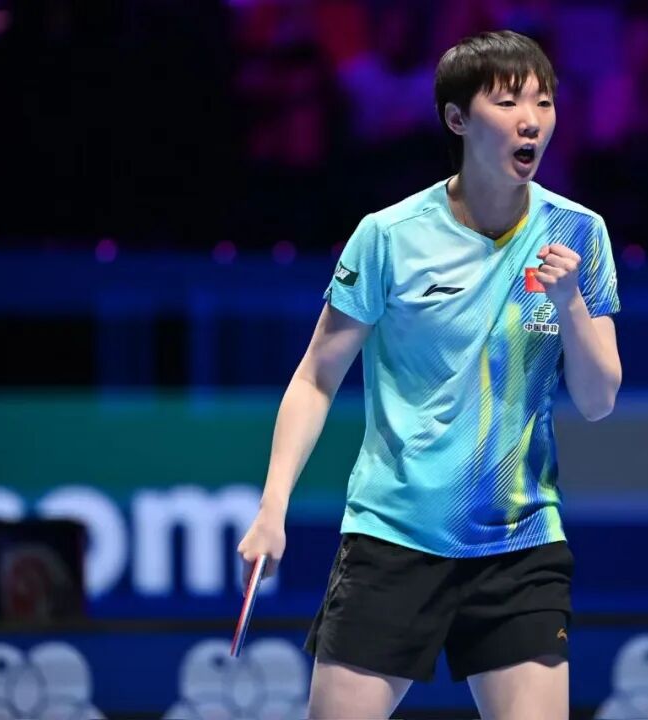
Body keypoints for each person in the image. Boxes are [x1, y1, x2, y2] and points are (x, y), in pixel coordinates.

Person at [237, 30, 622, 720]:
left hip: (520, 543)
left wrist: (570, 304)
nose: (531, 119)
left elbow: (598, 401)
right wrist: (272, 508)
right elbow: (316, 377)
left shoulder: (579, 233)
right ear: (457, 119)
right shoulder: (388, 236)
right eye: (508, 102)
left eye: (543, 102)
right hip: (395, 536)